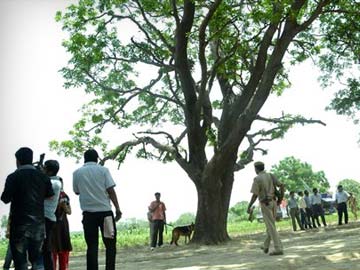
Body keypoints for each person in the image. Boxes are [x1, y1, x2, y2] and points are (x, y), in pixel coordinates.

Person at [1, 147, 54, 270]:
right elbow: (50, 195)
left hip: (19, 226)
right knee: (37, 262)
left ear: (18, 160)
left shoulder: (13, 177)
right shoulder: (43, 177)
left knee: (20, 263)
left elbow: (5, 198)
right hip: (38, 226)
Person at [73, 149, 122, 270]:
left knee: (92, 246)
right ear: (97, 159)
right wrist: (117, 208)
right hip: (105, 213)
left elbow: (76, 191)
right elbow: (111, 190)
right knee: (110, 246)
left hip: (88, 215)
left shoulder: (77, 173)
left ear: (84, 159)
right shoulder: (103, 170)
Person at [247, 161, 284, 256]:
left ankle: (278, 248)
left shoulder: (257, 178)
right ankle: (266, 245)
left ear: (256, 169)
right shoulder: (270, 175)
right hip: (274, 202)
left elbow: (255, 194)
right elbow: (282, 185)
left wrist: (249, 205)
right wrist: (280, 198)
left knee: (271, 227)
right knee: (271, 225)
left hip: (265, 204)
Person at [43, 160, 63, 270]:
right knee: (45, 249)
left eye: (44, 168)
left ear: (49, 171)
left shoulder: (53, 183)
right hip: (48, 217)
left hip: (46, 217)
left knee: (45, 249)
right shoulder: (56, 182)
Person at [51, 178, 72, 270]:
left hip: (62, 226)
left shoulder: (64, 196)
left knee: (63, 250)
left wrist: (63, 206)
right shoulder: (48, 195)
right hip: (52, 226)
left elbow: (69, 211)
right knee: (52, 251)